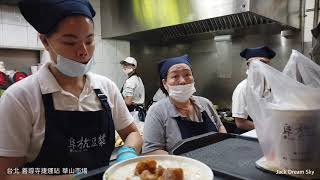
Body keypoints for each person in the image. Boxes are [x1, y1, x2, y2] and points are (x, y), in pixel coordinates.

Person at [0, 0, 142, 179]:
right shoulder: (20, 98)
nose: (83, 51)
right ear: (45, 41)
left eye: (89, 40)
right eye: (70, 42)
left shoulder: (106, 88)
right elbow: (6, 173)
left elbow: (132, 133)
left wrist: (127, 153)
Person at [142, 54, 227, 155]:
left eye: (187, 75)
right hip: (183, 168)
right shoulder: (157, 111)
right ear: (165, 83)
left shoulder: (205, 103)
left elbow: (220, 128)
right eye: (175, 76)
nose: (182, 81)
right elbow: (151, 150)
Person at [232, 46, 276, 134]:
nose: (262, 67)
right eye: (257, 64)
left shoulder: (271, 86)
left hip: (268, 136)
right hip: (248, 137)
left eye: (265, 63)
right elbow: (240, 123)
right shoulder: (243, 88)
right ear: (248, 65)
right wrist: (268, 130)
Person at [120, 57, 145, 128]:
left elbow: (128, 102)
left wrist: (117, 101)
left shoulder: (130, 81)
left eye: (128, 65)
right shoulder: (137, 78)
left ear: (134, 67)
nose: (125, 67)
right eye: (124, 64)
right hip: (139, 112)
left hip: (133, 113)